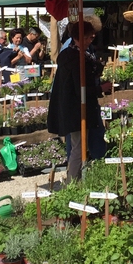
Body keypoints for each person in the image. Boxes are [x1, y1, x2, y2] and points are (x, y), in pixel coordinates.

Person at [47, 21, 107, 181]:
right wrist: (101, 88)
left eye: (91, 38)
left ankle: (77, 178)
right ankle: (72, 182)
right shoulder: (76, 59)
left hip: (71, 108)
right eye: (87, 38)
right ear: (77, 37)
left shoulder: (73, 54)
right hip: (76, 110)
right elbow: (81, 88)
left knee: (78, 145)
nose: (89, 41)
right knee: (78, 147)